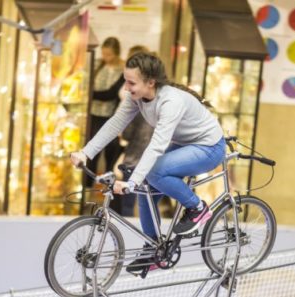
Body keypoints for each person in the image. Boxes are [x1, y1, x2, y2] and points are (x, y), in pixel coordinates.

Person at [71, 52, 225, 274]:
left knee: (153, 173)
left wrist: (131, 182)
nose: (126, 87)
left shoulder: (170, 101)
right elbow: (115, 124)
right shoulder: (136, 98)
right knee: (146, 188)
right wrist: (86, 152)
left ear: (150, 82)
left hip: (209, 147)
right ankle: (153, 248)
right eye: (126, 80)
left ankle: (197, 208)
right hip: (185, 145)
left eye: (131, 82)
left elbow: (156, 146)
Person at [116, 45, 154, 217]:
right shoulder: (162, 100)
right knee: (150, 206)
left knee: (128, 205)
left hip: (135, 158)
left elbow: (127, 133)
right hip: (156, 162)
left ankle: (127, 237)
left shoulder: (137, 101)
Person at [86, 37, 124, 188]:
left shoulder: (122, 70)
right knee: (91, 152)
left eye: (109, 54)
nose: (106, 57)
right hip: (94, 114)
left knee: (110, 153)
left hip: (111, 117)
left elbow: (111, 94)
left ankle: (109, 188)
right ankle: (87, 185)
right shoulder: (97, 65)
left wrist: (91, 94)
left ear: (116, 53)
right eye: (104, 54)